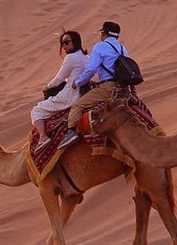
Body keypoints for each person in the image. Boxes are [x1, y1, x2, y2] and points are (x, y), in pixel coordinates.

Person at [59, 21, 128, 149]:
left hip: (108, 88)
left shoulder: (100, 47)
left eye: (101, 33)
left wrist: (78, 82)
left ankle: (71, 132)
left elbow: (91, 69)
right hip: (122, 89)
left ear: (104, 33)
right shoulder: (122, 48)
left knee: (77, 105)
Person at [31, 30, 90, 152]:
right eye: (62, 43)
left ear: (75, 42)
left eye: (67, 42)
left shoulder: (71, 57)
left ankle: (43, 137)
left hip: (70, 95)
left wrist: (47, 87)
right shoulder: (86, 57)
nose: (64, 46)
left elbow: (59, 79)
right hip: (85, 93)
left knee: (37, 110)